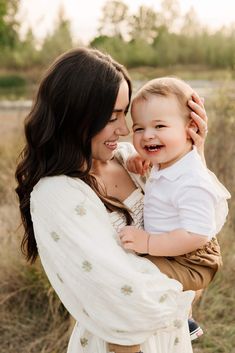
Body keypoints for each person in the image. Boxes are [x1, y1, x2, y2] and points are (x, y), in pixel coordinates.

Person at [15, 48, 210, 353]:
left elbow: (197, 224)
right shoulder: (57, 194)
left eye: (125, 114)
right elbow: (123, 301)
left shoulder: (131, 158)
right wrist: (192, 284)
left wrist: (191, 155)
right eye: (111, 117)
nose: (124, 130)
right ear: (75, 117)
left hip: (170, 338)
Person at [118, 77, 230, 341]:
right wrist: (143, 159)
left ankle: (178, 321)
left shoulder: (192, 180)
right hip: (173, 250)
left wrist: (148, 243)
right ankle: (181, 320)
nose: (147, 135)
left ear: (190, 129)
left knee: (136, 280)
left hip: (189, 256)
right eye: (139, 128)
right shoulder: (169, 162)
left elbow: (196, 234)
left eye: (159, 126)